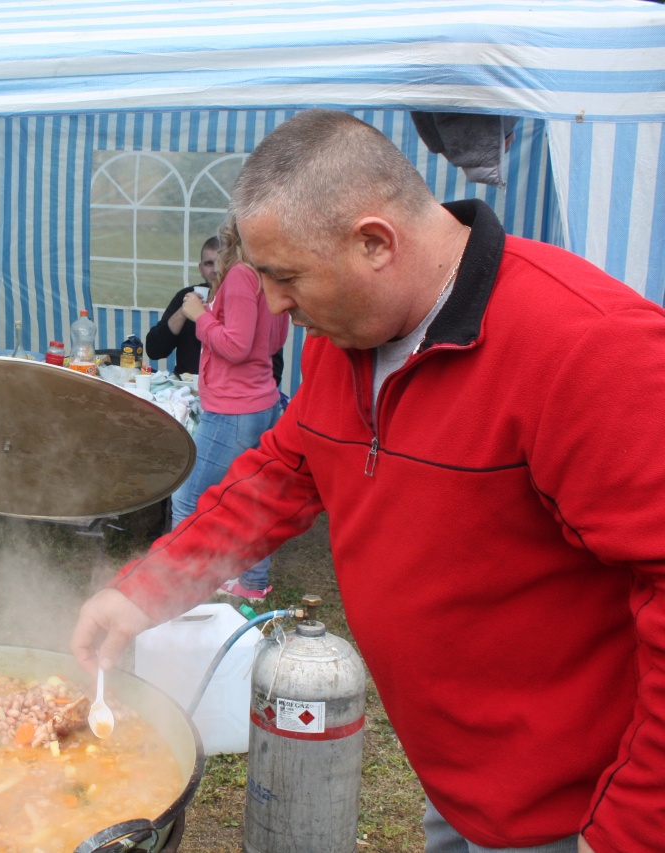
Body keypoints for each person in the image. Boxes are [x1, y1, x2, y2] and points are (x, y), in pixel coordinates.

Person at [71, 109, 665, 853]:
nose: (277, 306)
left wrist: (629, 835)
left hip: (578, 814)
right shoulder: (345, 342)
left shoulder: (589, 348)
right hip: (457, 783)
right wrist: (143, 590)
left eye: (287, 278)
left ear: (375, 242)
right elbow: (281, 474)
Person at [168, 218, 288, 600]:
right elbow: (274, 341)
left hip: (232, 409)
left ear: (231, 235)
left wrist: (198, 315)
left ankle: (180, 587)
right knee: (249, 498)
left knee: (187, 500)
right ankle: (252, 585)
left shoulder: (240, 276)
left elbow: (236, 347)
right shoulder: (269, 274)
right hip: (262, 400)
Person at [145, 236, 219, 376]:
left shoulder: (241, 301)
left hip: (226, 389)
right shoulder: (186, 296)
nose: (215, 269)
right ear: (201, 269)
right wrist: (183, 311)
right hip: (186, 388)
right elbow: (154, 350)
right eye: (209, 263)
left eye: (221, 263)